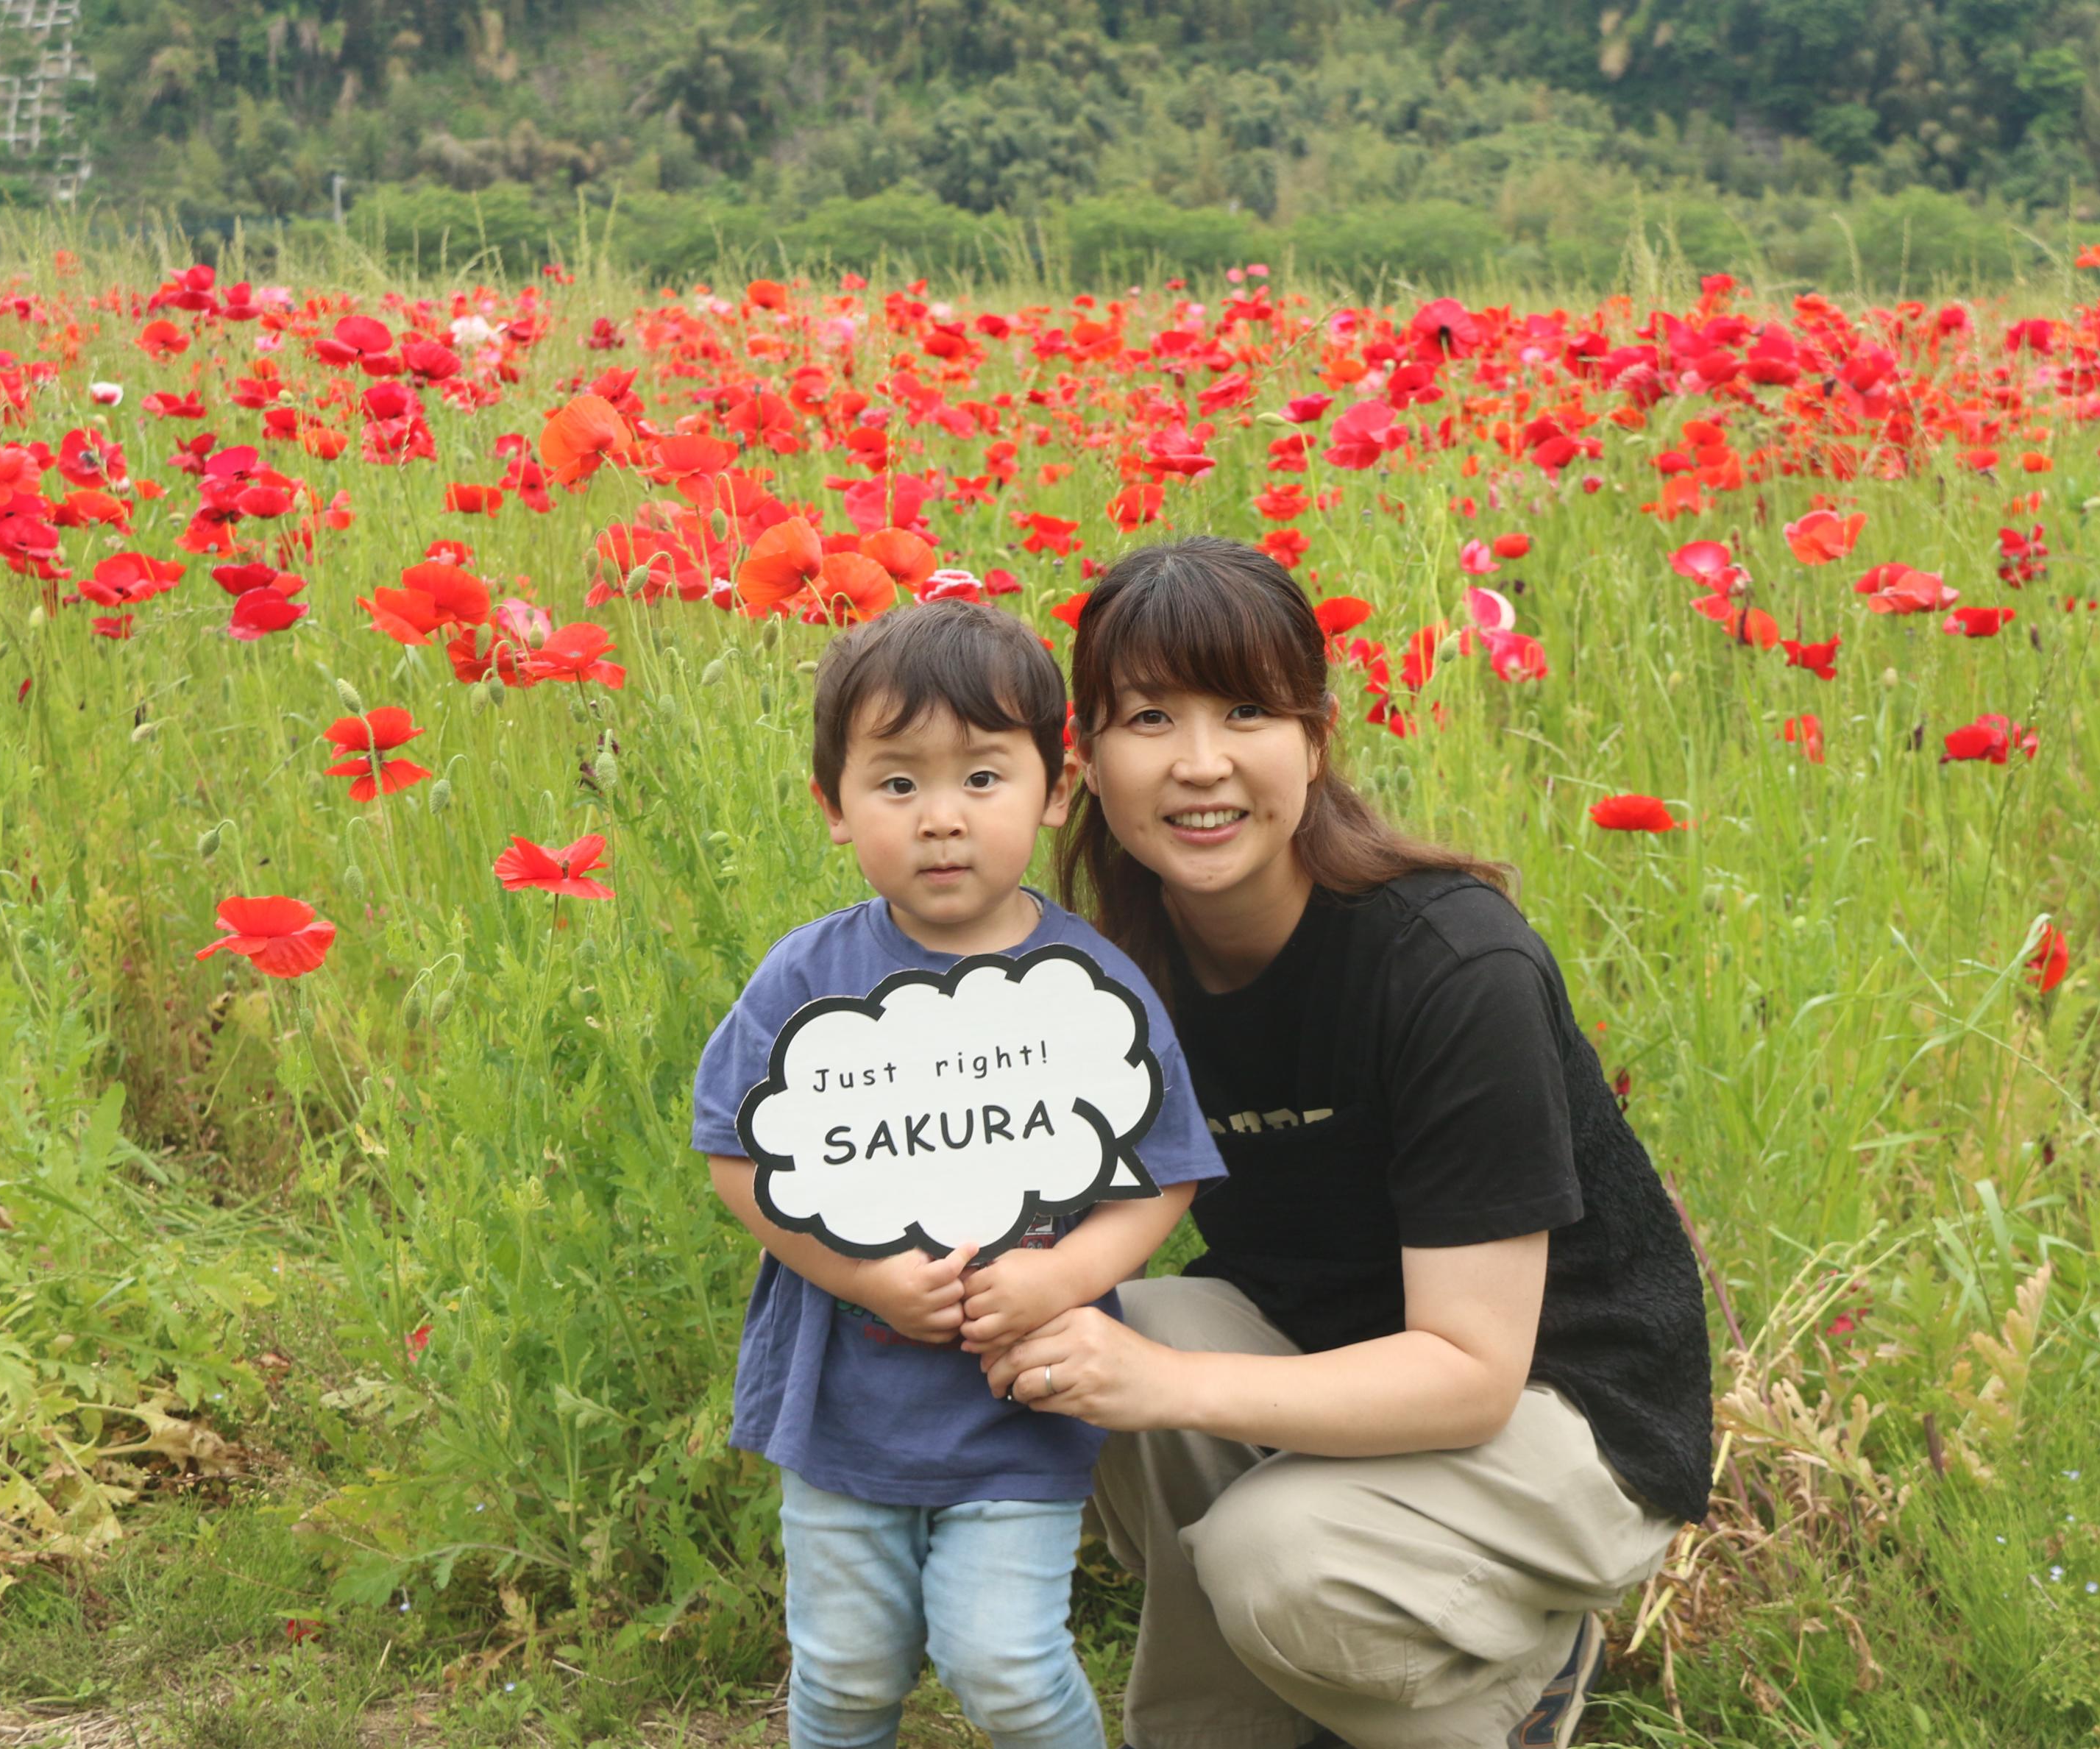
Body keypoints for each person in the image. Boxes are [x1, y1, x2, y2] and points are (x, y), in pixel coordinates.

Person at [982, 537, 1717, 1749]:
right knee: (1084, 1336)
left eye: (1247, 711)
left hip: (1566, 1406)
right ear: (1087, 762)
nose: (1200, 761)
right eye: (1150, 717)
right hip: (1330, 1352)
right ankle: (1219, 1734)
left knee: (1277, 1557)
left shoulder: (1449, 967)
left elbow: (1472, 1370)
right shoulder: (1104, 980)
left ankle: (1516, 1678)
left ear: (1316, 740)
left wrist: (1168, 1384)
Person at [693, 600, 1225, 1749]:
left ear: (1055, 789)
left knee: (1008, 1668)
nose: (941, 817)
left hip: (1017, 1405)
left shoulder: (1095, 985)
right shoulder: (807, 977)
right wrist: (862, 1276)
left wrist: (1062, 1279)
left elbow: (1162, 1177)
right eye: (897, 783)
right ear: (832, 805)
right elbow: (733, 1152)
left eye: (982, 777)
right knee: (844, 1674)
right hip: (842, 1405)